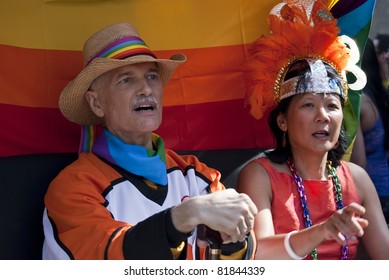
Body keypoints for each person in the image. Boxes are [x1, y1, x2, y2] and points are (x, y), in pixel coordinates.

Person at [42, 22, 257, 260]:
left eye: (152, 77)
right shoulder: (74, 187)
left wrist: (233, 236)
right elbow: (107, 258)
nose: (146, 89)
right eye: (126, 80)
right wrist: (181, 217)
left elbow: (237, 260)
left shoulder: (196, 173)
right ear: (96, 103)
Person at [238, 0, 389, 260]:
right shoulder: (260, 175)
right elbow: (258, 255)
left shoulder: (357, 178)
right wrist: (323, 231)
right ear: (282, 121)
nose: (322, 116)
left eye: (332, 105)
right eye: (308, 105)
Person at [351, 38, 389, 224]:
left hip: (372, 194)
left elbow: (358, 162)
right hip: (384, 187)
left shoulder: (358, 103)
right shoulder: (377, 97)